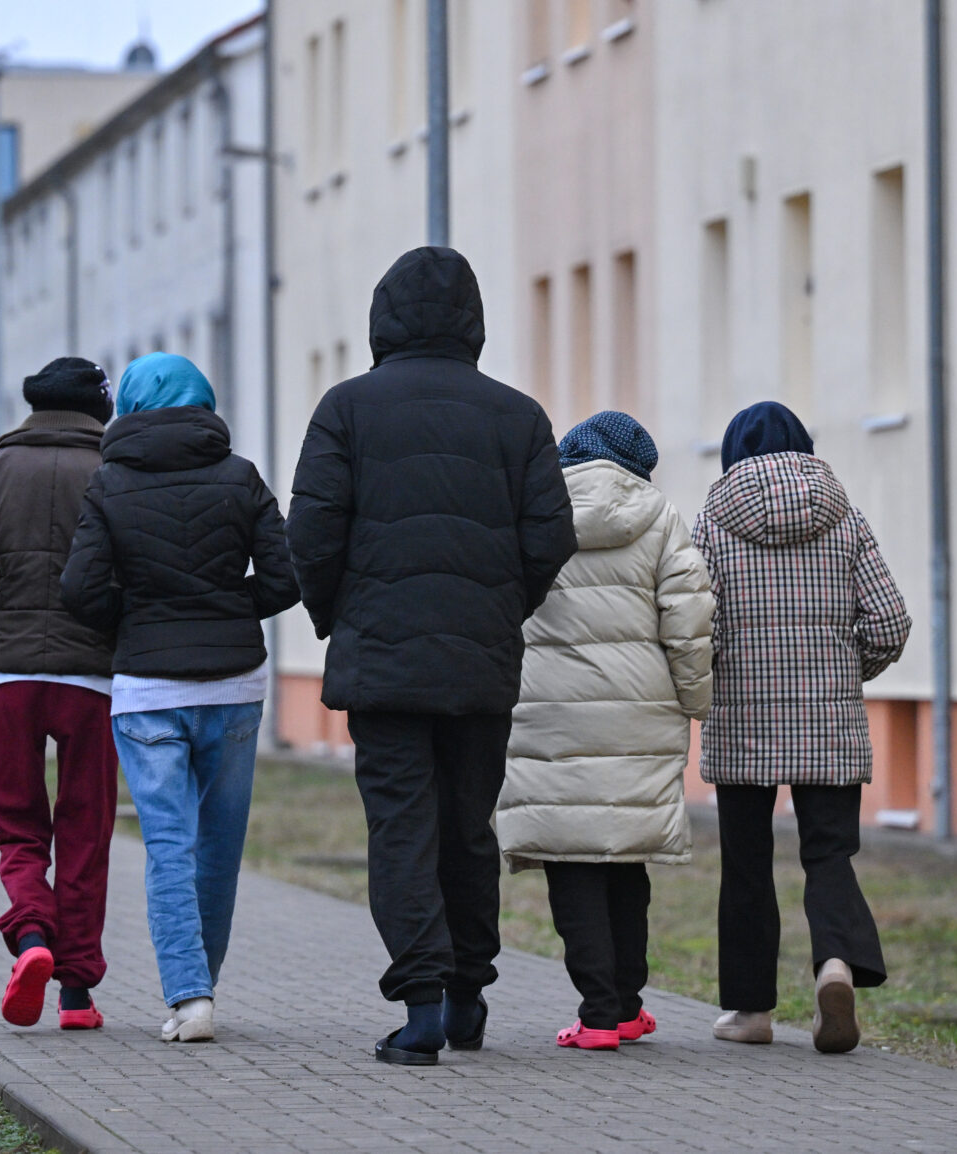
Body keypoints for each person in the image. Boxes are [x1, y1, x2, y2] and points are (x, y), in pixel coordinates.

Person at [286, 247, 576, 1065]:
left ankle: (420, 1006)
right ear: (473, 323)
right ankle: (467, 996)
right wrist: (499, 607)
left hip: (382, 661)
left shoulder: (346, 409)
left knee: (401, 829)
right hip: (480, 661)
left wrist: (337, 613)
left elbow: (310, 534)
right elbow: (551, 536)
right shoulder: (518, 417)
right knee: (467, 829)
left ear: (383, 318)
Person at [61, 352, 299, 1044]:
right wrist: (232, 605)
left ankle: (189, 996)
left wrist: (136, 618)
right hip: (233, 685)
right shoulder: (241, 477)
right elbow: (286, 577)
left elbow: (79, 589)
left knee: (169, 846)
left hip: (147, 691)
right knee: (219, 848)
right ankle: (204, 988)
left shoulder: (109, 485)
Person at [691, 401, 911, 1054]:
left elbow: (699, 627)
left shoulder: (712, 521)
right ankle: (835, 965)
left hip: (743, 722)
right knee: (829, 854)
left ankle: (751, 1011)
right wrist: (846, 671)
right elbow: (890, 620)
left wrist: (716, 675)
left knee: (747, 865)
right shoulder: (843, 515)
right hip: (829, 718)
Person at [497, 412, 714, 1051]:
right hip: (638, 711)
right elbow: (689, 617)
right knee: (625, 860)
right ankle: (624, 1007)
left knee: (571, 862)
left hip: (547, 711)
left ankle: (597, 1015)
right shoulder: (660, 517)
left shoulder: (529, 515)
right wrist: (695, 700)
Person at [0, 356, 118, 1032]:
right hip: (91, 678)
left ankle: (32, 936)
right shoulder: (113, 470)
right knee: (84, 832)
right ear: (97, 410)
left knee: (18, 828)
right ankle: (76, 993)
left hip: (7, 676)